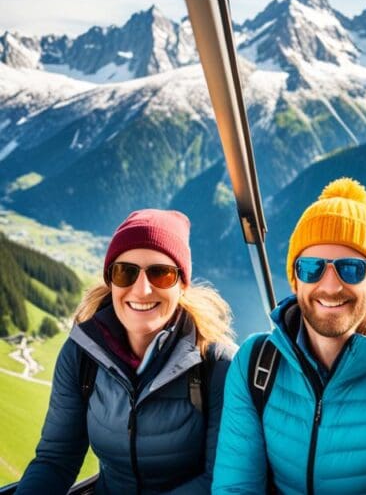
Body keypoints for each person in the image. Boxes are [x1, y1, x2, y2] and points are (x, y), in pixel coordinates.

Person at [213, 177, 366, 494]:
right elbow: (236, 488)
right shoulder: (256, 365)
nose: (329, 285)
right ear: (295, 280)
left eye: (350, 268)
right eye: (311, 268)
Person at [17, 209, 235, 494]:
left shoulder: (217, 365)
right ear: (111, 280)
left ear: (182, 284)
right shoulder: (81, 356)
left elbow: (219, 480)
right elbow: (56, 460)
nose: (142, 289)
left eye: (161, 273)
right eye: (125, 272)